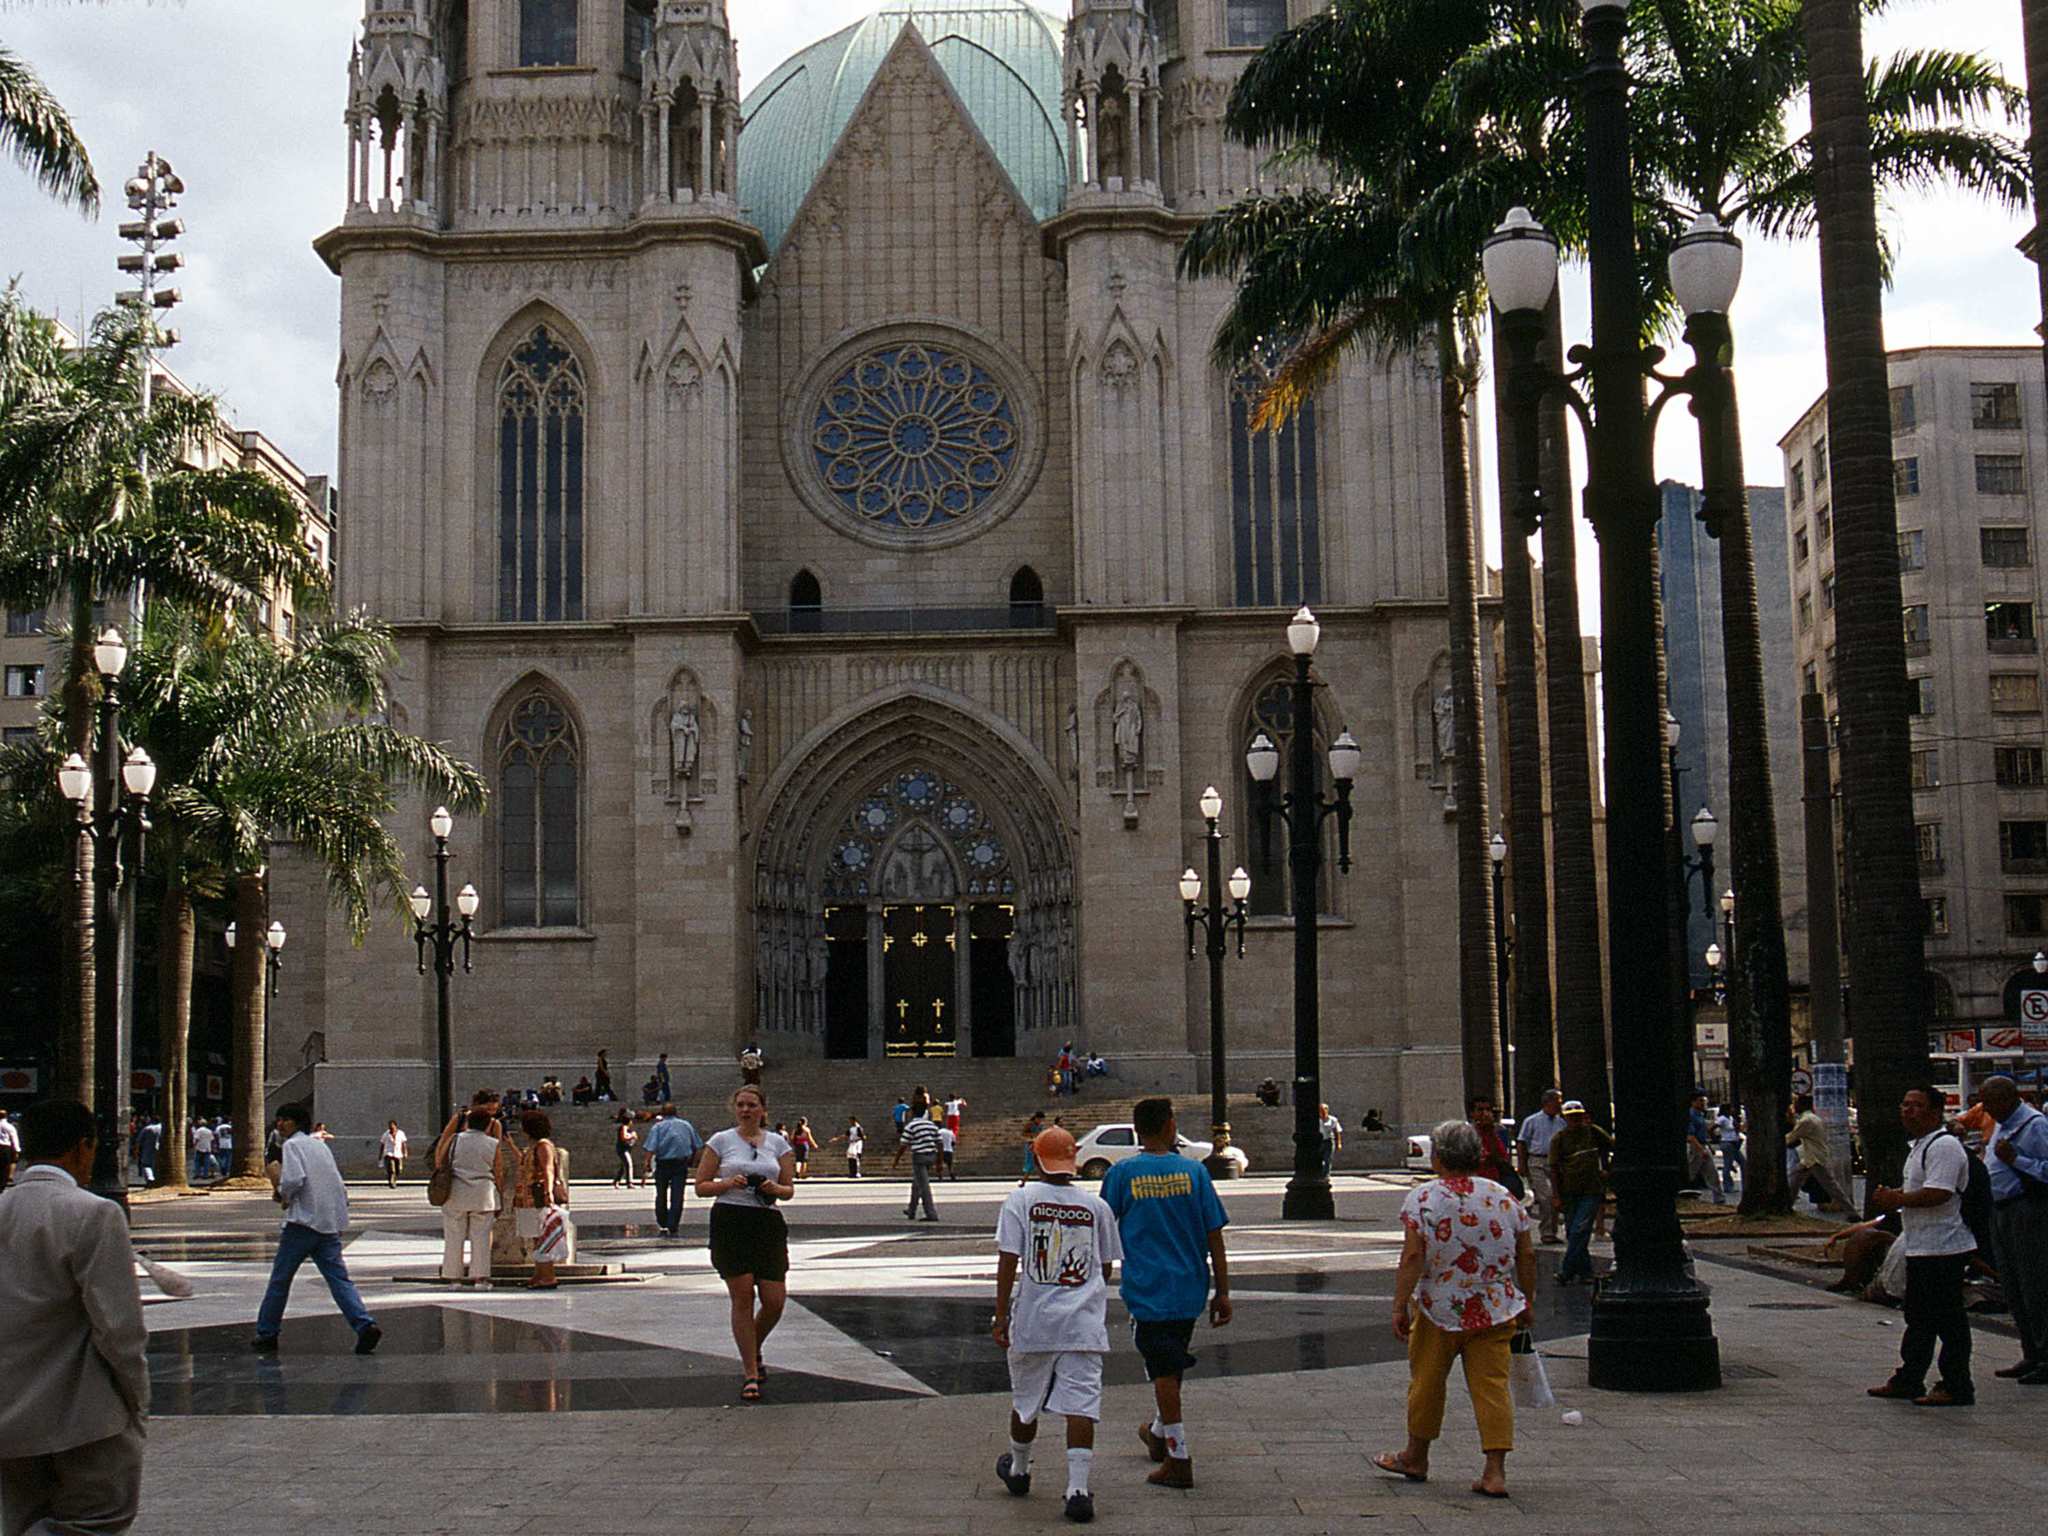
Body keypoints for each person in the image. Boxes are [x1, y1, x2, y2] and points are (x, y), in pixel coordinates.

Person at [0, 1101, 149, 1536]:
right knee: (100, 1516)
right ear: (83, 1148)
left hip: (10, 1411)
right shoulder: (93, 1214)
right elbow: (119, 1326)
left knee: (21, 1517)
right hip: (83, 1412)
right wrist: (136, 1397)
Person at [1374, 1119, 1534, 1499]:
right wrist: (1527, 1299)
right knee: (1493, 1386)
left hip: (1439, 1308)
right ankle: (1494, 1471)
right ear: (1478, 1155)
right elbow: (1526, 1253)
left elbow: (1413, 1255)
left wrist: (1400, 1303)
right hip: (1494, 1306)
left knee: (1427, 1381)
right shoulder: (1502, 1196)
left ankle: (1416, 1455)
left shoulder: (1424, 1199)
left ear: (1437, 1156)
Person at [991, 1126, 1124, 1524]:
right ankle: (1078, 1489)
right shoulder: (1096, 1206)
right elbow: (1105, 1266)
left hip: (1034, 1320)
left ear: (1036, 1159)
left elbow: (1008, 1259)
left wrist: (1002, 1314)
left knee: (1026, 1398)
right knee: (1081, 1404)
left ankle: (1019, 1468)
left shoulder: (1020, 1200)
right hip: (1082, 1324)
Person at [1101, 1097, 1231, 1490]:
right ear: (1171, 1126)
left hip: (1147, 1290)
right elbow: (1215, 1234)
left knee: (1162, 1369)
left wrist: (1098, 1280)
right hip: (1189, 1287)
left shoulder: (1122, 1175)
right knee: (1170, 1365)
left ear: (1138, 1130)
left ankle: (1178, 1454)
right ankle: (1158, 1433)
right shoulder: (1195, 1173)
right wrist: (1223, 1290)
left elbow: (1104, 1232)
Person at [1868, 1085, 1978, 1407]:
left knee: (1948, 1320)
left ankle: (1957, 1384)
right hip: (1921, 1245)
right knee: (1919, 1318)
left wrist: (1898, 1199)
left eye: (1916, 1105)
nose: (1907, 1110)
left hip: (1943, 1246)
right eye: (1904, 1104)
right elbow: (1921, 1188)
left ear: (1935, 1111)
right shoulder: (1919, 1146)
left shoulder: (1944, 1147)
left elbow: (1938, 1193)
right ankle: (1910, 1377)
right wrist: (1897, 1195)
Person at [253, 1102, 381, 1355]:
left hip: (301, 1223)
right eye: (278, 1119)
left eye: (285, 1120)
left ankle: (267, 1333)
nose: (279, 1124)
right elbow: (334, 1180)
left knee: (280, 1280)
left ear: (296, 1123)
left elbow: (294, 1179)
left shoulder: (292, 1145)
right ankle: (364, 1324)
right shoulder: (319, 1146)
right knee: (339, 1279)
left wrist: (282, 1193)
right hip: (328, 1224)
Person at [695, 1085, 794, 1402]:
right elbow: (701, 1186)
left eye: (752, 1105)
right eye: (740, 1104)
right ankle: (751, 1371)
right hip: (730, 1221)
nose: (746, 1110)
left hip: (766, 1222)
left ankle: (754, 1345)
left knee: (775, 1300)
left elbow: (789, 1189)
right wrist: (727, 1183)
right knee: (742, 1297)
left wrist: (773, 1187)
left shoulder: (779, 1144)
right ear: (734, 1108)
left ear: (763, 1109)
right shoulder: (721, 1141)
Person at [1978, 1075, 2048, 1383]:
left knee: (2034, 1284)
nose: (1987, 1110)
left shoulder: (2034, 1125)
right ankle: (2030, 1351)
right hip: (2001, 1210)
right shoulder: (2002, 1125)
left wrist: (2016, 1160)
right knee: (2014, 1285)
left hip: (2027, 1208)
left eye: (1991, 1103)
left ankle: (2045, 1355)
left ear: (2009, 1099)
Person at [439, 1107, 506, 1286]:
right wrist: (500, 1193)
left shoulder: (455, 1139)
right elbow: (498, 1171)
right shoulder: (493, 1143)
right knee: (482, 1237)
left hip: (456, 1191)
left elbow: (440, 1160)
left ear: (468, 1123)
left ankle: (454, 1278)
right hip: (483, 1193)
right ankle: (480, 1278)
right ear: (487, 1125)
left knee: (454, 1235)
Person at [1548, 1100, 1611, 1285]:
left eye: (1578, 1116)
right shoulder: (1559, 1139)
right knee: (1573, 1232)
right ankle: (1585, 1271)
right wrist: (1556, 1195)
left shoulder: (1594, 1132)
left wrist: (1606, 1168)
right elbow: (1553, 1168)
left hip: (1591, 1189)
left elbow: (1610, 1146)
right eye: (1571, 1117)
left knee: (1580, 1229)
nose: (1576, 1120)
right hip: (1569, 1191)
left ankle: (1566, 1271)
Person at [514, 1110, 571, 1289]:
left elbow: (548, 1169)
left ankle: (548, 1276)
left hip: (538, 1197)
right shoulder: (534, 1146)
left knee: (542, 1238)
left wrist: (548, 1194)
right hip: (528, 1198)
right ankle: (539, 1274)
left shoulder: (544, 1145)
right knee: (535, 1238)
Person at [643, 1105, 704, 1238]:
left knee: (661, 1193)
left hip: (663, 1163)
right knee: (677, 1194)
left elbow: (651, 1147)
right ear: (676, 1113)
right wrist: (694, 1161)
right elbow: (697, 1146)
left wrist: (647, 1163)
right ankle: (673, 1223)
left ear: (663, 1114)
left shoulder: (658, 1127)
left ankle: (662, 1221)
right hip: (680, 1163)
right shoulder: (686, 1125)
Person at [1785, 1093, 1853, 1212]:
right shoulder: (1814, 1118)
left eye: (1796, 1104)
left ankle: (1851, 1212)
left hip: (1813, 1158)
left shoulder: (1806, 1121)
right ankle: (1787, 1206)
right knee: (1794, 1181)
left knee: (1831, 1187)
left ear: (1801, 1105)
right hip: (1812, 1157)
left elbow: (1792, 1137)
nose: (1794, 1107)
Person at [1515, 1089, 1566, 1244]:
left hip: (1555, 1162)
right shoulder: (1532, 1121)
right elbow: (1522, 1142)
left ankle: (1552, 1230)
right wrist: (1522, 1165)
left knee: (1556, 1196)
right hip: (1537, 1161)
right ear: (1548, 1102)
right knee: (1546, 1196)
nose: (1560, 1104)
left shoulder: (1561, 1122)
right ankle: (1547, 1232)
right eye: (1558, 1101)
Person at [894, 1095, 943, 1220]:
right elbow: (940, 1143)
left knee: (924, 1186)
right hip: (931, 1156)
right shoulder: (932, 1125)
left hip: (919, 1157)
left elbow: (903, 1145)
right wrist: (939, 1162)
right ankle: (912, 1210)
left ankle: (931, 1214)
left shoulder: (911, 1126)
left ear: (913, 1113)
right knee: (917, 1183)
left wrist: (896, 1160)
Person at [1467, 1097, 1519, 1192]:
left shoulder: (1497, 1132)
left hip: (1494, 1181)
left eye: (1488, 1110)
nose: (1485, 1114)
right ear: (1472, 1113)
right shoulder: (1467, 1133)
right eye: (1480, 1110)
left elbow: (1503, 1158)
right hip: (1474, 1182)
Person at [1685, 1093, 1724, 1205]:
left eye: (1704, 1101)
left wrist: (1708, 1147)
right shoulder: (1691, 1115)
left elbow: (1703, 1133)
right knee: (1691, 1172)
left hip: (1703, 1145)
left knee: (1712, 1173)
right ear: (1693, 1102)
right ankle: (1684, 1194)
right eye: (1700, 1101)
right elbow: (1690, 1136)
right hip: (1696, 1147)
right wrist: (1701, 1149)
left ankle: (1719, 1198)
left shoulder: (1700, 1115)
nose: (1703, 1103)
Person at [1715, 1103, 1745, 1197]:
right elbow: (1712, 1127)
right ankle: (1727, 1186)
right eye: (1731, 1108)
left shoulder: (1731, 1118)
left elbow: (1738, 1129)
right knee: (1727, 1164)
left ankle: (1745, 1184)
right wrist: (1716, 1139)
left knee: (1743, 1163)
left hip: (1734, 1144)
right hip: (1727, 1143)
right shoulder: (1722, 1119)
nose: (1732, 1110)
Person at [611, 1111, 639, 1189]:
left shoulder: (627, 1128)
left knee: (623, 1166)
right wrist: (632, 1136)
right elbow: (623, 1137)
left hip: (626, 1149)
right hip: (622, 1149)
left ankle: (616, 1181)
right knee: (628, 1164)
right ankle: (629, 1183)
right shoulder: (623, 1127)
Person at [133, 1116, 160, 1187]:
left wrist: (136, 1151)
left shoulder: (147, 1128)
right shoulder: (162, 1128)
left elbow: (138, 1141)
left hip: (147, 1149)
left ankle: (150, 1179)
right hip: (160, 1150)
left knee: (146, 1165)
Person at [379, 1120, 408, 1187]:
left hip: (398, 1154)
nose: (391, 1128)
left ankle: (393, 1179)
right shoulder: (386, 1134)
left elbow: (404, 1144)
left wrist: (405, 1152)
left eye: (392, 1126)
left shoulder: (401, 1133)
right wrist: (380, 1155)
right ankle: (392, 1182)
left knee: (399, 1170)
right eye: (390, 1126)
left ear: (395, 1126)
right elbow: (382, 1145)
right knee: (392, 1169)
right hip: (389, 1154)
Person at [1318, 1103, 1343, 1179]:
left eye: (1324, 1110)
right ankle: (1320, 1173)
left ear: (1327, 1110)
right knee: (1319, 1158)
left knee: (1327, 1159)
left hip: (1329, 1141)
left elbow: (1337, 1131)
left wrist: (1339, 1143)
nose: (1322, 1112)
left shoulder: (1333, 1120)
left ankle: (1326, 1175)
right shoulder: (1316, 1120)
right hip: (1319, 1141)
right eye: (1320, 1110)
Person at [190, 1117, 216, 1183]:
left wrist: (194, 1146)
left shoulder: (198, 1131)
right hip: (207, 1148)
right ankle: (205, 1175)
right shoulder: (209, 1131)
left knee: (197, 1162)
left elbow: (196, 1139)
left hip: (199, 1148)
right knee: (206, 1162)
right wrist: (213, 1148)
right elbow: (212, 1140)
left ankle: (197, 1174)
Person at [0, 1108, 17, 1190]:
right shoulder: (9, 1126)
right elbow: (14, 1138)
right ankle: (4, 1182)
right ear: (6, 1116)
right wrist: (17, 1150)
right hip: (5, 1147)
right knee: (5, 1166)